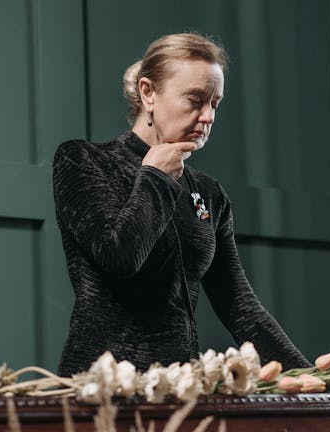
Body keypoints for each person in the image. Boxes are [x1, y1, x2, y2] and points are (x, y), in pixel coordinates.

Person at [53, 32, 310, 376]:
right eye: (195, 100)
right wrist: (156, 176)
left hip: (179, 390)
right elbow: (119, 257)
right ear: (148, 93)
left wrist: (315, 378)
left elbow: (240, 307)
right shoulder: (83, 161)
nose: (208, 117)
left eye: (214, 103)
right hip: (100, 389)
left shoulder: (209, 193)